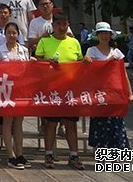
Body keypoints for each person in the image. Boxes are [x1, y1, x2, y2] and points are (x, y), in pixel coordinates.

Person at [35, 13, 85, 170]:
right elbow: (36, 63)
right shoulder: (44, 41)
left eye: (65, 24)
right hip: (52, 90)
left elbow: (80, 63)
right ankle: (48, 154)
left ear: (68, 25)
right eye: (58, 24)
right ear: (53, 25)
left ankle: (74, 155)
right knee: (50, 124)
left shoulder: (74, 42)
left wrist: (87, 61)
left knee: (71, 124)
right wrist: (46, 62)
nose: (62, 27)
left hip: (70, 90)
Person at [84, 21, 133, 150]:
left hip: (114, 93)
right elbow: (90, 71)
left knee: (116, 123)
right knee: (99, 124)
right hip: (99, 93)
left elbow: (124, 75)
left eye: (107, 33)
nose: (104, 36)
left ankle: (116, 153)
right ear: (97, 35)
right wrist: (106, 61)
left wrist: (130, 94)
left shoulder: (117, 52)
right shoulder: (91, 51)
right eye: (101, 33)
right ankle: (101, 153)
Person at [0, 21, 34, 169]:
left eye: (14, 33)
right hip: (6, 89)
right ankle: (11, 155)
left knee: (19, 123)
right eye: (9, 32)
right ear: (5, 34)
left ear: (18, 34)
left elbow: (28, 70)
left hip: (21, 90)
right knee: (7, 122)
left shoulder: (24, 50)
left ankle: (20, 153)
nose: (11, 35)